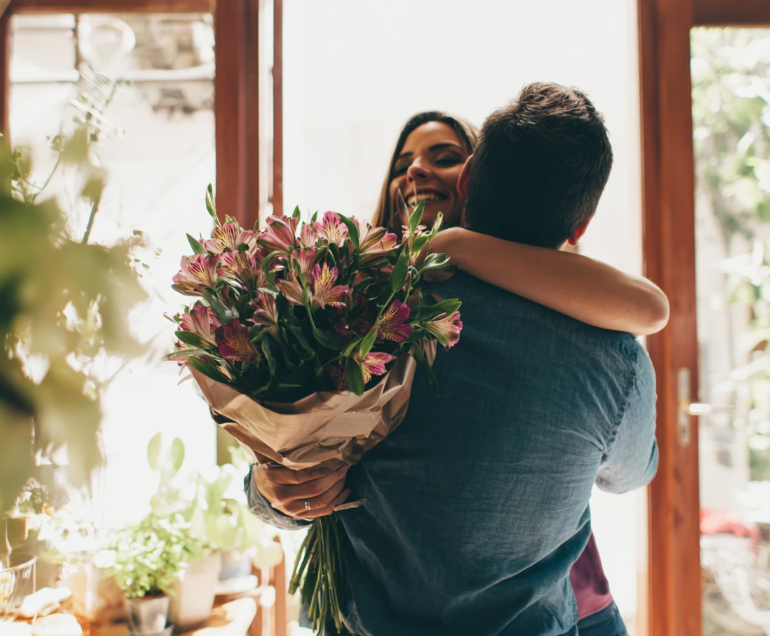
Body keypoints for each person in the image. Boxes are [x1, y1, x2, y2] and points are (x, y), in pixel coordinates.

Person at [247, 84, 659, 635]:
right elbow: (630, 469)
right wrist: (275, 487)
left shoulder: (368, 315)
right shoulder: (354, 310)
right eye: (404, 162)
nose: (416, 173)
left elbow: (645, 306)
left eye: (444, 157)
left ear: (469, 180)